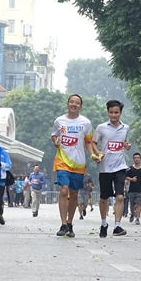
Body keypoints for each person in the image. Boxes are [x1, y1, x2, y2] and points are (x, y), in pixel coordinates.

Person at [51, 94, 97, 238]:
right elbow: (54, 135)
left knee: (74, 193)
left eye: (77, 103)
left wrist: (92, 155)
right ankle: (63, 224)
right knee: (64, 190)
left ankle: (70, 223)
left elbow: (88, 141)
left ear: (80, 106)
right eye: (72, 102)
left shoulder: (86, 122)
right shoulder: (60, 120)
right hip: (62, 161)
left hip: (78, 163)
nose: (74, 104)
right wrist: (56, 141)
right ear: (67, 104)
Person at [93, 99, 131, 238]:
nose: (114, 115)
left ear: (120, 113)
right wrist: (97, 154)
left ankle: (117, 226)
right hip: (105, 168)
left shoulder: (125, 128)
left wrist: (127, 145)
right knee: (104, 198)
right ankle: (104, 224)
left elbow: (122, 142)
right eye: (111, 112)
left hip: (120, 167)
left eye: (116, 112)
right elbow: (93, 143)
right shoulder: (101, 127)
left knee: (120, 197)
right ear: (108, 112)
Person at [126, 153, 141, 225]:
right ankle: (132, 213)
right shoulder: (129, 168)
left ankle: (137, 218)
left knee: (139, 204)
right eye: (135, 158)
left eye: (138, 158)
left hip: (140, 189)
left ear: (140, 159)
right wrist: (131, 179)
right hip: (132, 189)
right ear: (133, 159)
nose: (137, 159)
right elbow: (126, 177)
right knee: (132, 204)